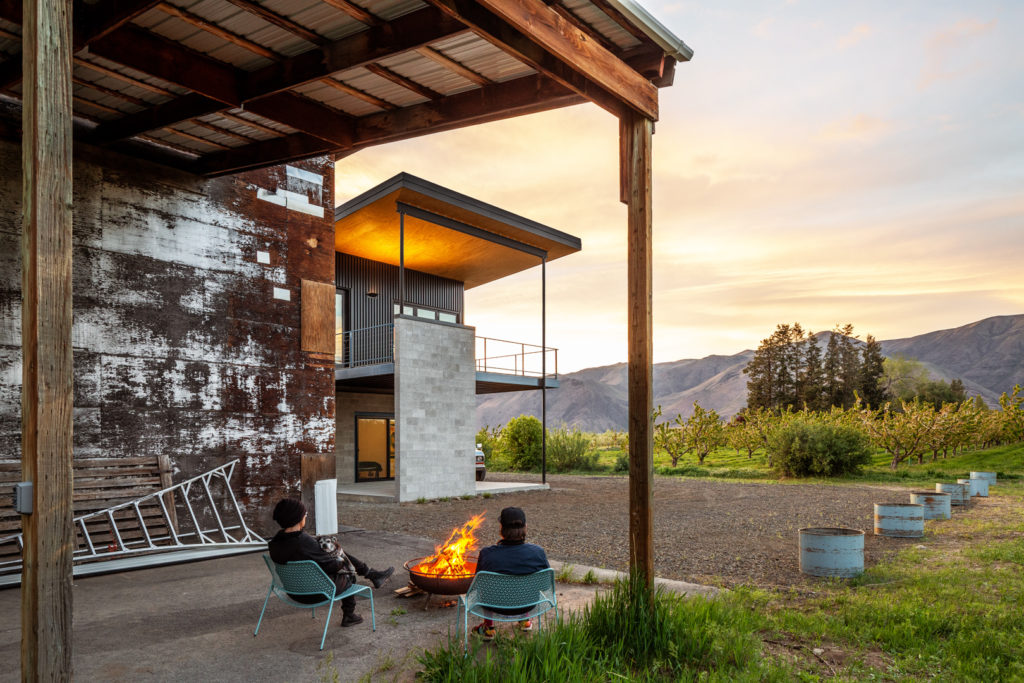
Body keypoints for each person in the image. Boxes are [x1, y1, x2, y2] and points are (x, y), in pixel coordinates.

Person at [267, 498, 394, 627]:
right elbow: (334, 566)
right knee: (347, 572)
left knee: (333, 548)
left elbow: (304, 554)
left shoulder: (275, 543)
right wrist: (337, 555)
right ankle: (349, 615)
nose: (306, 517)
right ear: (298, 518)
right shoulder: (303, 542)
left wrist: (327, 549)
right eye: (305, 514)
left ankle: (372, 574)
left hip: (293, 591)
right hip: (316, 593)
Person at [472, 506, 550, 640]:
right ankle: (525, 621)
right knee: (523, 585)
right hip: (527, 604)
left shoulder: (487, 554)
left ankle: (488, 629)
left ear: (501, 528)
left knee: (487, 590)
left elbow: (478, 586)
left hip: (496, 605)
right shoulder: (537, 552)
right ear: (525, 527)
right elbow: (545, 585)